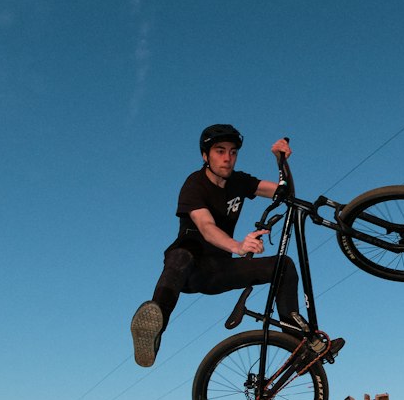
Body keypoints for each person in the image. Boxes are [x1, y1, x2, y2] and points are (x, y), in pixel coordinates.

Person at [130, 124, 343, 369]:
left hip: (219, 271)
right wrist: (239, 246)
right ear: (205, 156)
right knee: (181, 254)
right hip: (189, 271)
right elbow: (206, 226)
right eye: (220, 151)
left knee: (283, 266)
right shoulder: (194, 184)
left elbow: (285, 194)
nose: (227, 158)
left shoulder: (239, 181)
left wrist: (281, 162)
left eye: (233, 152)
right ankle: (154, 327)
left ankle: (297, 344)